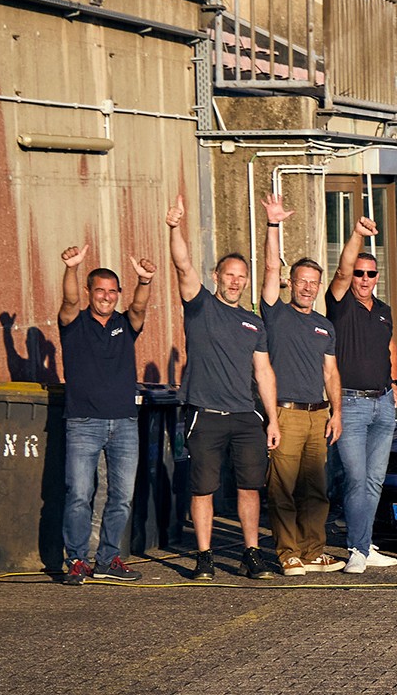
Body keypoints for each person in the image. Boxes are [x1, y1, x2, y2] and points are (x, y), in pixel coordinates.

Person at [166, 190, 280, 580]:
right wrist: (174, 226)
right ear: (217, 276)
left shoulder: (253, 321)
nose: (235, 282)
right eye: (229, 275)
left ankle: (251, 554)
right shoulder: (199, 305)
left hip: (247, 417)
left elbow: (263, 372)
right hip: (205, 414)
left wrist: (273, 420)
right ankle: (204, 556)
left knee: (250, 488)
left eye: (241, 277)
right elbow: (182, 265)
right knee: (203, 489)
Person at [56, 242, 155, 584]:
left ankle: (108, 559)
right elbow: (68, 301)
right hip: (83, 423)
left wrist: (144, 281)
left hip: (125, 423)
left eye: (113, 292)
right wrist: (71, 267)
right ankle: (77, 561)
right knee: (80, 494)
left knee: (121, 497)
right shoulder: (74, 323)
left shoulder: (126, 325)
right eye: (100, 290)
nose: (106, 297)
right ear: (89, 292)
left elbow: (139, 308)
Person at [257, 195, 345, 577]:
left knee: (316, 491)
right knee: (283, 488)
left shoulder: (325, 325)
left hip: (318, 415)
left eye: (314, 283)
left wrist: (336, 412)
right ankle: (287, 552)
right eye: (302, 282)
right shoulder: (276, 314)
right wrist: (273, 224)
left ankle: (313, 551)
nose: (308, 288)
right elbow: (267, 266)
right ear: (290, 283)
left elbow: (331, 373)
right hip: (287, 413)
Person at [326, 211, 397, 573]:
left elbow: (389, 349)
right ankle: (356, 548)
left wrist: (396, 383)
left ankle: (364, 544)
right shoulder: (340, 306)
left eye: (371, 274)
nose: (365, 279)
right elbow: (341, 271)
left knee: (374, 480)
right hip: (352, 404)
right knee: (355, 478)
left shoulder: (384, 310)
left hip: (383, 403)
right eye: (360, 273)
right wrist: (356, 234)